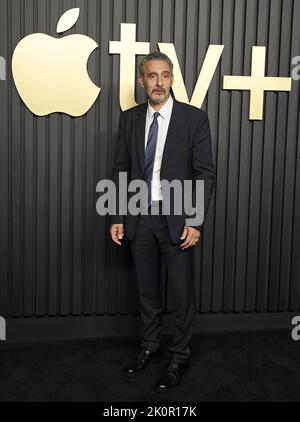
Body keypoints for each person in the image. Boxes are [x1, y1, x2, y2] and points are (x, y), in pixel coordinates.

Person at [109, 51, 215, 392]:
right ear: (142, 80)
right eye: (152, 76)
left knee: (181, 294)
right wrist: (117, 215)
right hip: (140, 219)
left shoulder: (194, 119)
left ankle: (180, 357)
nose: (159, 82)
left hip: (178, 221)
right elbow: (121, 169)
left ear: (172, 79)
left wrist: (195, 221)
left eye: (165, 75)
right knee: (147, 290)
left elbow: (205, 173)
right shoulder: (129, 119)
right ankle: (151, 347)